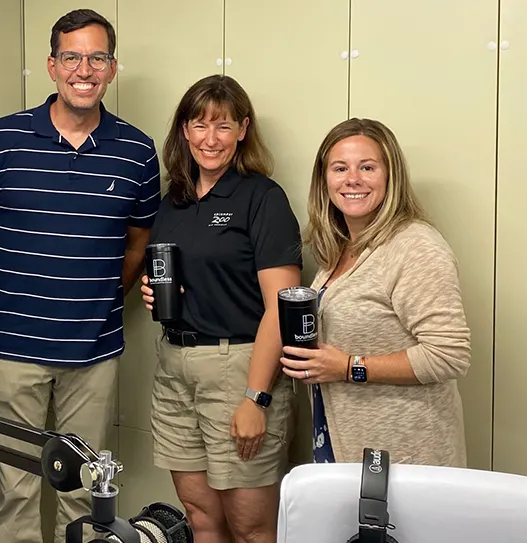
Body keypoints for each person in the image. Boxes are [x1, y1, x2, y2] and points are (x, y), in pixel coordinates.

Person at [0, 9, 160, 543]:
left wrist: (90, 296)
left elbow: (137, 244)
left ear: (113, 68)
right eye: (71, 57)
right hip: (10, 346)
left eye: (97, 57)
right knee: (16, 488)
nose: (84, 69)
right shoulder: (0, 140)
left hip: (93, 351)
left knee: (88, 490)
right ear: (52, 65)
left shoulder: (137, 151)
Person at [139, 74, 303, 543]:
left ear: (243, 130)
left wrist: (257, 397)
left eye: (223, 127)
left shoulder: (262, 198)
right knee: (201, 516)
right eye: (200, 126)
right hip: (174, 367)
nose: (211, 139)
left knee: (250, 527)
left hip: (239, 368)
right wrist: (155, 291)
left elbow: (281, 306)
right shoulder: (173, 200)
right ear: (184, 131)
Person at [280, 117, 470, 467]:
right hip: (349, 445)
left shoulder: (415, 247)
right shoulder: (341, 249)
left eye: (367, 167)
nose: (352, 179)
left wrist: (349, 367)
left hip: (406, 455)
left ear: (390, 176)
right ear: (324, 180)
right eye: (340, 168)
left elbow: (449, 354)